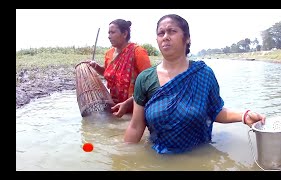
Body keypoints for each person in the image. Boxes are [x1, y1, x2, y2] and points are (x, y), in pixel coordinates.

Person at [123, 14, 266, 154]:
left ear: (187, 38)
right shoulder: (145, 78)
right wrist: (124, 158)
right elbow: (136, 126)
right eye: (161, 33)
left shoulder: (203, 74)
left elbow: (215, 111)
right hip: (157, 155)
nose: (165, 36)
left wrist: (244, 115)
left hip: (199, 152)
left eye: (172, 31)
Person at [88, 19, 151, 118]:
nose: (109, 36)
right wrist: (96, 67)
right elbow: (107, 72)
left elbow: (149, 82)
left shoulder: (138, 52)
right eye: (108, 33)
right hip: (115, 106)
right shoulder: (109, 53)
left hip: (136, 107)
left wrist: (127, 103)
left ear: (125, 33)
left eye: (112, 32)